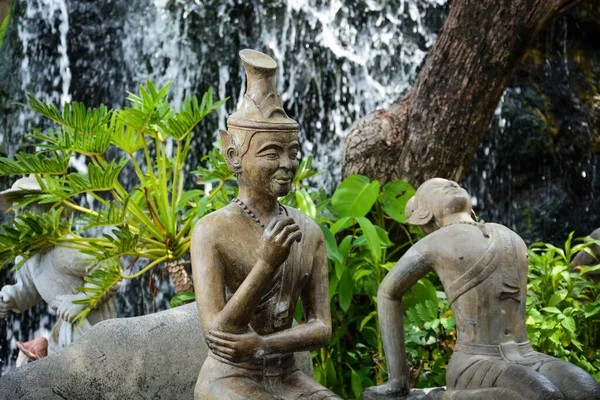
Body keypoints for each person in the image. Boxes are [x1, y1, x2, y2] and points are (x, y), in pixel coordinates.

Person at [363, 178, 600, 400]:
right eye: (437, 188)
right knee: (542, 395)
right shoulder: (434, 242)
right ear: (427, 215)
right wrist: (397, 381)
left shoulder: (508, 234)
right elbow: (387, 293)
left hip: (526, 354)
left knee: (588, 390)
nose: (451, 184)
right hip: (474, 360)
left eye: (452, 183)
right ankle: (448, 396)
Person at [191, 49, 339, 400]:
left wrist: (263, 344)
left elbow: (322, 327)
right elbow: (218, 332)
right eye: (272, 153)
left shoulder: (309, 231)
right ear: (233, 157)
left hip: (287, 375)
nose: (287, 164)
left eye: (293, 153)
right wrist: (266, 263)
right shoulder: (211, 230)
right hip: (230, 378)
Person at [0, 175, 119, 355]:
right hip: (65, 329)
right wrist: (12, 297)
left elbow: (110, 268)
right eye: (17, 212)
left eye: (28, 209)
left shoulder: (65, 249)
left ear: (51, 211)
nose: (20, 218)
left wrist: (81, 300)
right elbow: (29, 291)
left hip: (96, 329)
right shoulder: (28, 257)